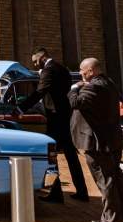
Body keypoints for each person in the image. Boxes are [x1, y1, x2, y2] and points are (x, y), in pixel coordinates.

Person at [17, 48, 89, 203]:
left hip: (55, 118)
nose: (35, 65)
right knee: (71, 156)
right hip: (64, 116)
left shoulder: (48, 70)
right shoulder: (62, 68)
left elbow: (39, 92)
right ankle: (82, 191)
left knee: (51, 156)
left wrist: (20, 108)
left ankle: (56, 194)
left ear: (42, 57)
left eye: (35, 61)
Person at [68, 57, 123, 222]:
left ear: (91, 71)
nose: (80, 73)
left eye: (82, 70)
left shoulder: (94, 87)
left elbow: (75, 103)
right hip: (112, 140)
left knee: (105, 178)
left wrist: (74, 88)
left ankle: (111, 218)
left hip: (98, 143)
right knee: (116, 178)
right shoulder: (109, 83)